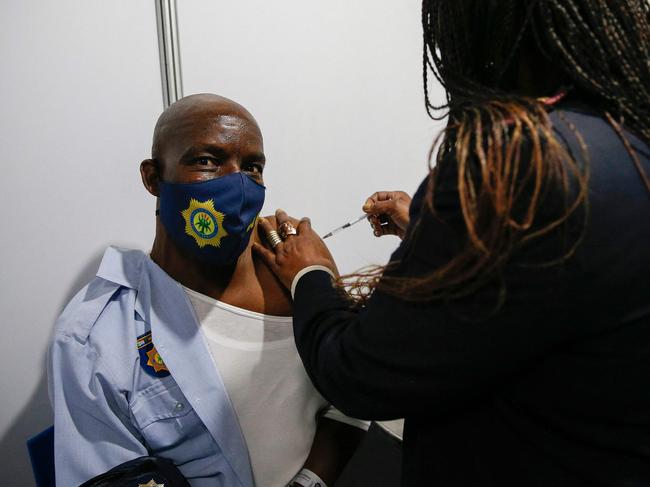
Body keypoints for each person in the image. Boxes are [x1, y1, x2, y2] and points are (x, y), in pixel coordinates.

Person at [253, 1, 650, 486]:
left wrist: (310, 275)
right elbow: (555, 287)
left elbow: (359, 375)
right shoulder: (625, 141)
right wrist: (436, 235)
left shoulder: (517, 164)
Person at [48, 94, 366, 487]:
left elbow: (355, 395)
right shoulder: (97, 336)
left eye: (252, 167)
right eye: (206, 161)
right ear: (153, 178)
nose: (237, 184)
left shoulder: (294, 271)